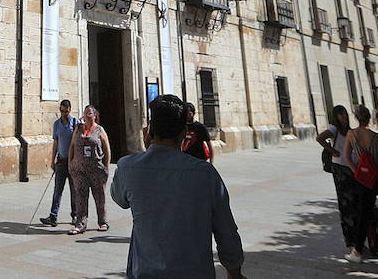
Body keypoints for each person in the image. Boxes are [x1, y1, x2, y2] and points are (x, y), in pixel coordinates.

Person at [111, 95, 246, 279]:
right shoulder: (205, 174)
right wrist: (234, 270)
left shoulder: (128, 167)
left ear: (150, 129)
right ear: (184, 132)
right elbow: (226, 230)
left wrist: (147, 150)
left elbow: (119, 198)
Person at [343, 103, 378, 270]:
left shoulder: (352, 134)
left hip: (365, 180)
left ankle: (357, 252)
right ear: (369, 118)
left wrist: (357, 172)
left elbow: (346, 157)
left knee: (363, 215)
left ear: (357, 118)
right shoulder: (377, 136)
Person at [318, 105, 361, 248]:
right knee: (345, 204)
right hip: (340, 170)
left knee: (355, 203)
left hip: (352, 168)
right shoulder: (333, 129)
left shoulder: (349, 130)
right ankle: (350, 242)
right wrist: (332, 150)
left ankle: (358, 239)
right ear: (335, 117)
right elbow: (319, 138)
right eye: (340, 114)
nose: (344, 116)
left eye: (345, 114)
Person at [67, 105, 111, 234]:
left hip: (96, 169)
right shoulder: (78, 128)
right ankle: (80, 224)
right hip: (79, 170)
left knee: (99, 196)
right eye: (86, 113)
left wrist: (106, 167)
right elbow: (72, 146)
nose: (87, 115)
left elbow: (107, 149)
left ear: (95, 115)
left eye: (90, 113)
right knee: (80, 197)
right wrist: (70, 163)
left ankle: (102, 222)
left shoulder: (99, 130)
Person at [39, 99, 80, 227]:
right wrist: (52, 160)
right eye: (62, 111)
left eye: (66, 111)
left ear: (70, 110)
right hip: (61, 161)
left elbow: (79, 142)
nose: (64, 114)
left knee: (74, 190)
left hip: (73, 162)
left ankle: (75, 215)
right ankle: (53, 216)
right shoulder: (57, 124)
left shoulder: (76, 123)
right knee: (57, 190)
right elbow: (56, 143)